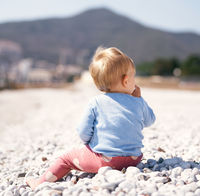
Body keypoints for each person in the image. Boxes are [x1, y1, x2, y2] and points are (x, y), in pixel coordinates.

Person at [26, 46, 156, 190]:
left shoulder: (96, 102)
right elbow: (150, 120)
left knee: (66, 158)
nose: (134, 81)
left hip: (107, 161)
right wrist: (140, 99)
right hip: (134, 159)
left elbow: (83, 132)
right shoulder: (137, 101)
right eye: (133, 76)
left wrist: (88, 145)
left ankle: (40, 182)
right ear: (126, 81)